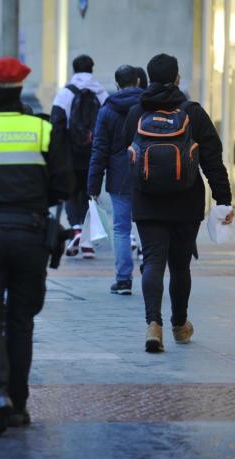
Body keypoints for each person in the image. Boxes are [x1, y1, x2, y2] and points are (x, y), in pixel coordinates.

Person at [0, 57, 73, 436]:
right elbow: (65, 186)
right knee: (21, 322)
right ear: (22, 90)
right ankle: (18, 404)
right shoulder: (42, 129)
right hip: (30, 235)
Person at [121, 54, 233, 352]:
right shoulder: (193, 113)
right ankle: (180, 325)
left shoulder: (136, 113)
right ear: (177, 78)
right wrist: (224, 199)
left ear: (148, 78)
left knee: (153, 262)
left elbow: (125, 152)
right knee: (180, 267)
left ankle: (152, 324)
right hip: (186, 201)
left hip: (146, 200)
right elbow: (212, 159)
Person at [87, 65, 143, 295]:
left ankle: (123, 280)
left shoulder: (107, 109)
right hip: (148, 172)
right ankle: (150, 275)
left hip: (119, 175)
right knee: (148, 226)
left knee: (121, 227)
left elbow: (99, 148)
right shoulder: (148, 105)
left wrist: (93, 183)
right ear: (138, 81)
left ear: (117, 84)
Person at [51, 54, 108, 259]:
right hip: (94, 152)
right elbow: (108, 124)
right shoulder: (102, 93)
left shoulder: (65, 92)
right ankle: (87, 241)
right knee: (90, 194)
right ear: (92, 69)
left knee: (71, 193)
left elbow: (56, 123)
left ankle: (76, 230)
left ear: (73, 69)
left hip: (70, 152)